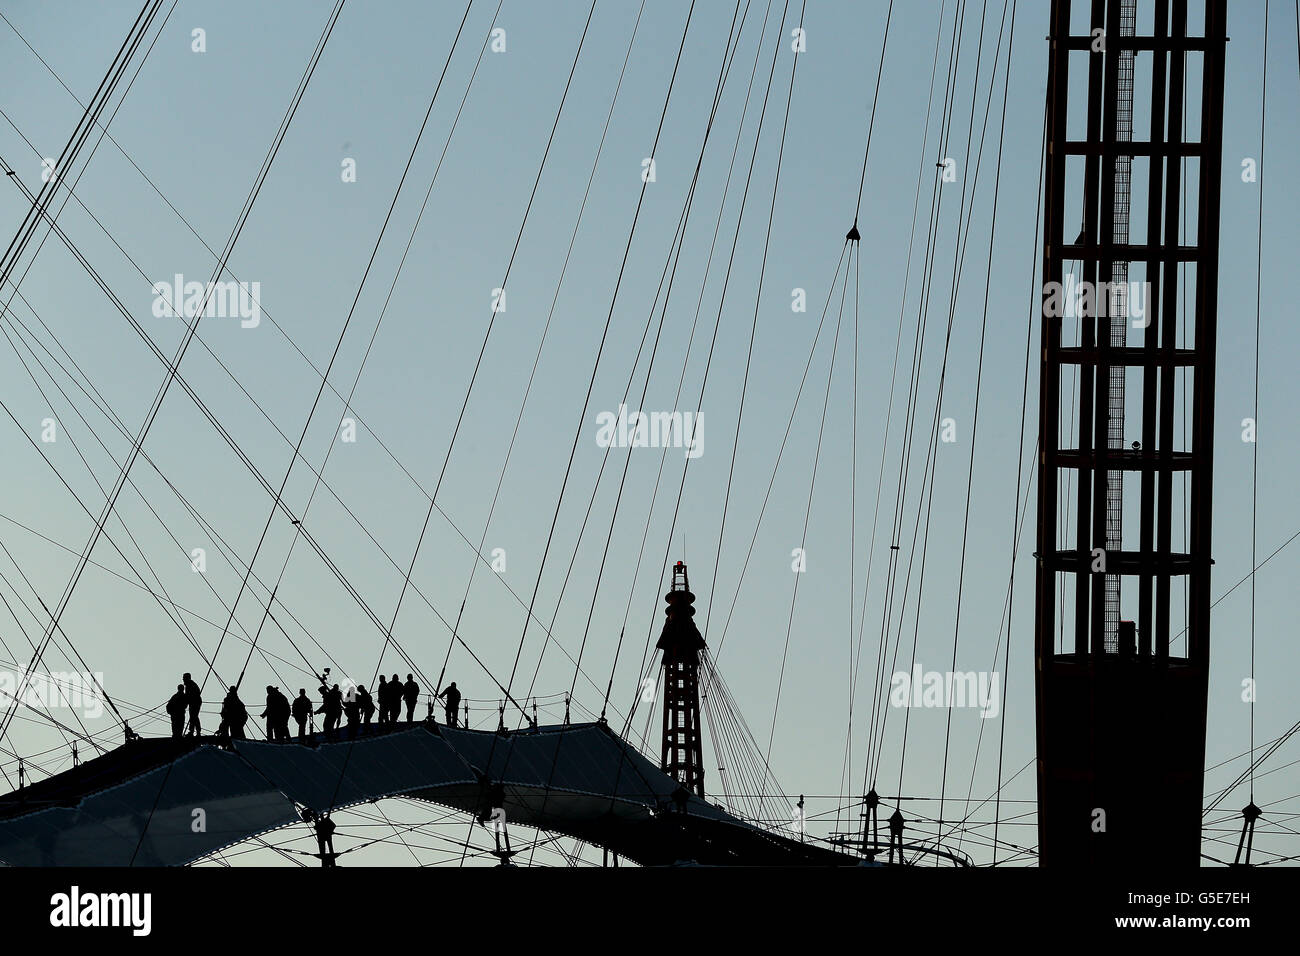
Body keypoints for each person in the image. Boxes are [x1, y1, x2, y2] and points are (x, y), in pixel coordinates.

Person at [183, 672, 202, 737]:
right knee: (194, 716)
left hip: (195, 702)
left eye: (184, 678)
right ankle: (195, 731)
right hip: (193, 702)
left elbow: (197, 693)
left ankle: (193, 731)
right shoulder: (188, 685)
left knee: (193, 716)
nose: (183, 680)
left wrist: (190, 699)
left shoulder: (191, 685)